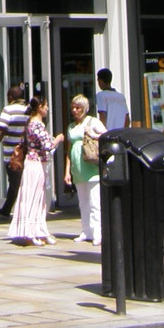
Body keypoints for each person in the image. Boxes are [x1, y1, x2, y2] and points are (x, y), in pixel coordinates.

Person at [7, 94, 63, 245]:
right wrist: (58, 139)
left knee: (36, 197)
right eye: (45, 106)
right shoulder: (36, 125)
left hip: (33, 162)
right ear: (39, 108)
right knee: (34, 197)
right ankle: (31, 232)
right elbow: (48, 145)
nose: (47, 109)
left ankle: (39, 230)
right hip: (35, 163)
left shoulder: (29, 123)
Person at [64, 95, 105, 246]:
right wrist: (67, 171)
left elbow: (106, 135)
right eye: (73, 107)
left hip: (92, 167)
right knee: (83, 202)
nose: (75, 110)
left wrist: (93, 134)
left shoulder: (92, 121)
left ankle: (97, 232)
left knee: (95, 202)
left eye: (78, 108)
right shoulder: (71, 126)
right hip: (78, 169)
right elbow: (69, 150)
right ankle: (86, 230)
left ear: (85, 109)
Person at [0, 82, 30, 217]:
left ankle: (17, 210)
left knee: (15, 183)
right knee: (18, 183)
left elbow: (1, 130)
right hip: (26, 154)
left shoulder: (8, 110)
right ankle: (7, 208)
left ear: (10, 97)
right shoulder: (28, 110)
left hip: (12, 155)